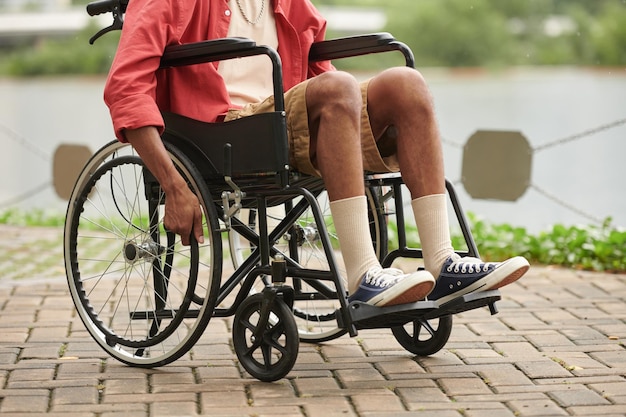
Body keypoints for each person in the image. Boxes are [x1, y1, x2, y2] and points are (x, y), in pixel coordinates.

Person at [103, 0, 529, 307]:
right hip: (223, 132)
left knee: (406, 84)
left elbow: (320, 77)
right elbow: (125, 87)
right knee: (339, 87)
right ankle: (364, 274)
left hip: (284, 122)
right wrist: (173, 184)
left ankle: (442, 262)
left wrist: (355, 137)